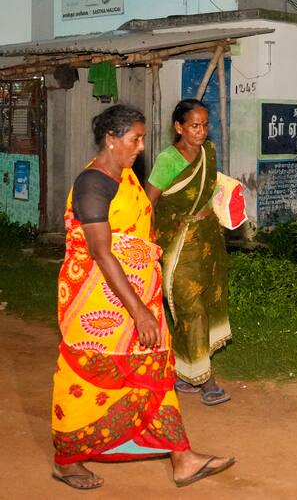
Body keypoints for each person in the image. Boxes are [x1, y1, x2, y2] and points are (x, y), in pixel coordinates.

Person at [53, 104, 235, 490]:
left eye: (141, 139)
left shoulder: (124, 176)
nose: (140, 147)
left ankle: (181, 458)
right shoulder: (93, 184)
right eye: (135, 139)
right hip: (99, 305)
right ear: (111, 139)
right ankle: (67, 459)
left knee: (154, 372)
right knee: (89, 377)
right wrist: (139, 311)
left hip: (135, 297)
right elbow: (101, 253)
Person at [146, 99, 231, 406]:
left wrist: (223, 205)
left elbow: (210, 189)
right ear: (178, 127)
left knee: (203, 304)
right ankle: (205, 379)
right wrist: (148, 240)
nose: (201, 131)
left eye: (205, 125)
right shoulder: (168, 159)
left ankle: (185, 374)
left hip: (205, 240)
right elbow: (149, 201)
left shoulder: (208, 152)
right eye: (194, 125)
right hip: (176, 242)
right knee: (189, 307)